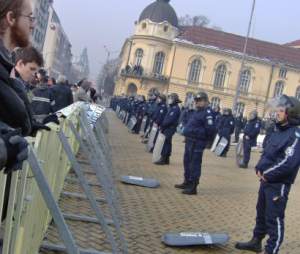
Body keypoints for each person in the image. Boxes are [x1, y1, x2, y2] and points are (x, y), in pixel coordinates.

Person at [235, 95, 300, 254]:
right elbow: (268, 153)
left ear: (290, 113)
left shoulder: (295, 135)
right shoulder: (278, 129)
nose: (276, 112)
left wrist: (268, 174)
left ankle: (271, 250)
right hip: (266, 181)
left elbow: (288, 162)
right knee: (261, 213)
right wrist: (259, 167)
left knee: (274, 218)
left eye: (280, 110)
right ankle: (256, 241)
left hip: (278, 185)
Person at [175, 92, 216, 195]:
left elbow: (210, 130)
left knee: (195, 164)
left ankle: (193, 186)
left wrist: (199, 136)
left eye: (200, 100)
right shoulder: (197, 111)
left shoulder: (208, 113)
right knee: (187, 162)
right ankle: (187, 181)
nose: (198, 102)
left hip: (197, 142)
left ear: (206, 101)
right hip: (190, 140)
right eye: (196, 100)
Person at [155, 93, 181, 165]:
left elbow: (170, 120)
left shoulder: (175, 109)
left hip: (170, 128)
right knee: (168, 143)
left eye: (171, 98)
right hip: (168, 128)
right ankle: (167, 159)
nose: (169, 100)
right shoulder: (172, 107)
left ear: (174, 100)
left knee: (165, 143)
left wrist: (163, 125)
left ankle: (163, 159)